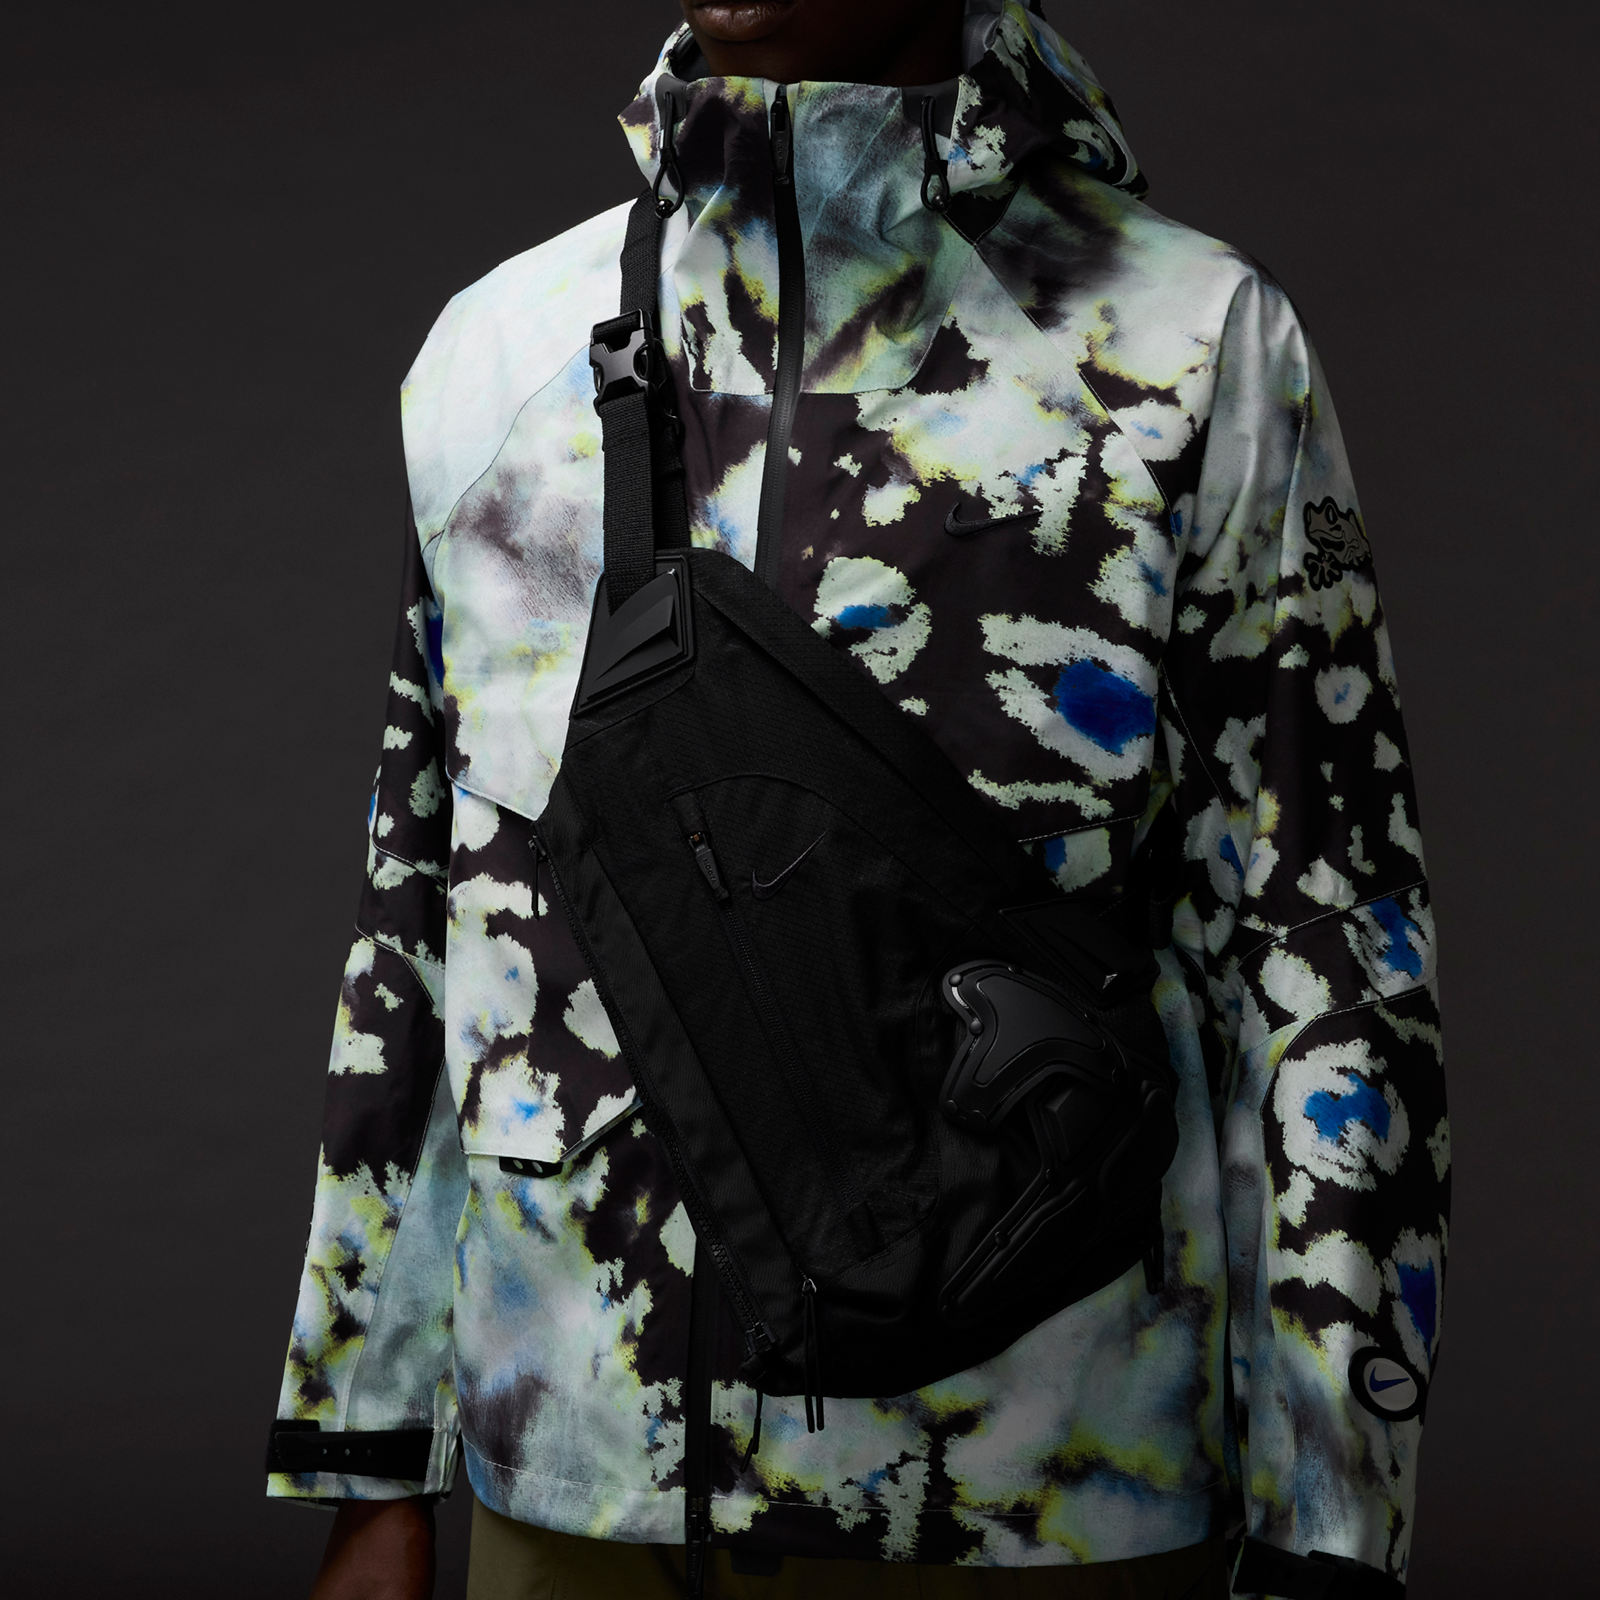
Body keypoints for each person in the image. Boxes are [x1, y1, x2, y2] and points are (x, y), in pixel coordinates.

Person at [266, 3, 1448, 1597]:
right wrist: (371, 1452)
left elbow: (1325, 950)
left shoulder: (1187, 345)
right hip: (569, 1491)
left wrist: (1330, 1523)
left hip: (1032, 1491)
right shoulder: (496, 358)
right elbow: (425, 919)